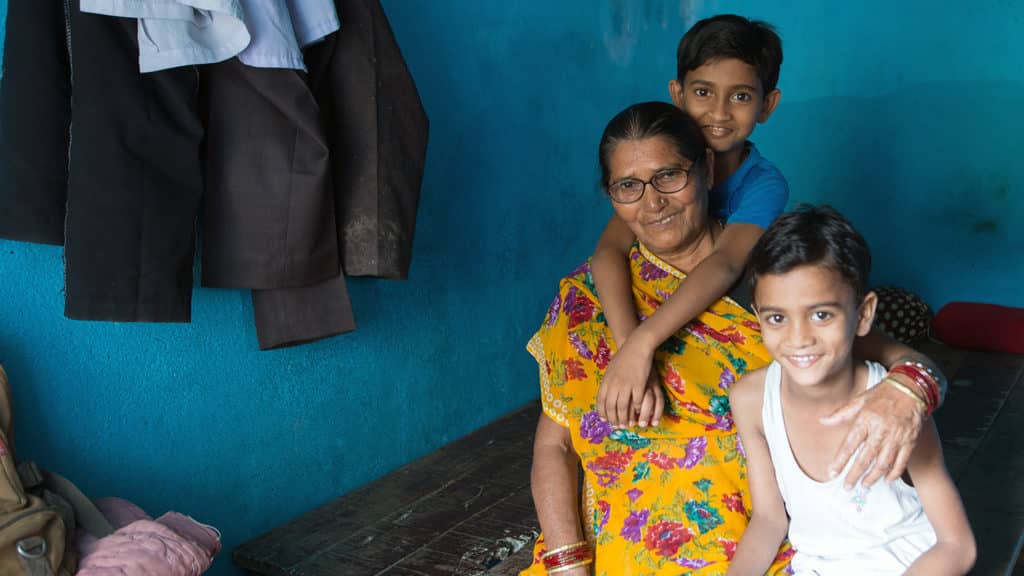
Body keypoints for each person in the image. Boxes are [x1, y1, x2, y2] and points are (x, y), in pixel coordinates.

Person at [591, 14, 941, 489]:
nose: (718, 112)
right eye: (702, 92)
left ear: (767, 104)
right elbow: (608, 251)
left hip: (750, 290)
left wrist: (645, 342)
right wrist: (628, 347)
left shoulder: (762, 183)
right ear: (677, 93)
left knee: (849, 333)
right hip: (690, 307)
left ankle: (909, 365)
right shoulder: (657, 168)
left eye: (740, 96)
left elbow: (728, 262)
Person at [524, 101, 793, 575]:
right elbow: (556, 446)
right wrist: (568, 566)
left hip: (754, 555)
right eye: (628, 186)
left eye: (670, 175)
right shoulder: (585, 301)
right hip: (611, 559)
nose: (653, 203)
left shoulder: (769, 283)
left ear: (707, 170)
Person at [727, 205, 974, 575]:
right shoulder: (750, 401)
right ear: (758, 316)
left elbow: (957, 547)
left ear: (863, 315)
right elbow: (768, 521)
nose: (798, 339)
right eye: (777, 318)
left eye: (821, 314)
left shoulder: (894, 406)